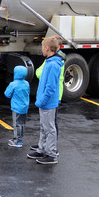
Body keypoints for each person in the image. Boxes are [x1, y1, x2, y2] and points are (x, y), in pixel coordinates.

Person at [27, 37, 63, 165]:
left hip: (48, 103)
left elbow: (51, 87)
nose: (42, 49)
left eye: (42, 47)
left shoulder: (53, 65)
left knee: (50, 128)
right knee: (44, 127)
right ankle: (42, 149)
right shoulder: (49, 62)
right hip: (44, 102)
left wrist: (42, 101)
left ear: (47, 48)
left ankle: (51, 154)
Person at [4, 66, 30, 148]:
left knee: (16, 124)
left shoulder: (13, 84)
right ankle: (20, 138)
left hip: (16, 107)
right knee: (22, 124)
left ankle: (17, 141)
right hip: (25, 107)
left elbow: (7, 94)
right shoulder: (26, 83)